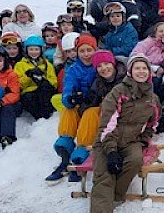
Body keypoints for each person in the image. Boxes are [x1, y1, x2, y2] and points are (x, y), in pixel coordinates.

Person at [86, 54, 160, 213]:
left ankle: (114, 197)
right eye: (137, 68)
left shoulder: (153, 98)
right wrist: (110, 151)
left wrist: (143, 141)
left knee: (135, 161)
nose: (141, 72)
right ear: (130, 71)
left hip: (131, 142)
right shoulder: (118, 92)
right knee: (105, 175)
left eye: (145, 68)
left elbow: (153, 123)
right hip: (107, 140)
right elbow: (106, 125)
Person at [46, 50, 126, 182]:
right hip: (102, 110)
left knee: (91, 113)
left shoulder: (123, 78)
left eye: (107, 64)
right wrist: (75, 101)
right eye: (99, 66)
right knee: (70, 110)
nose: (103, 68)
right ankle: (65, 151)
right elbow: (89, 97)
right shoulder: (96, 79)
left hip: (116, 116)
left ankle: (81, 154)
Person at [51, 34, 99, 176]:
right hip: (81, 103)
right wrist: (69, 98)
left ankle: (82, 148)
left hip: (96, 106)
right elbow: (68, 87)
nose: (86, 54)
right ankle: (65, 144)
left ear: (95, 50)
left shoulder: (99, 66)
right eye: (82, 51)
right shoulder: (73, 69)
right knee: (68, 110)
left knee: (91, 113)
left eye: (89, 50)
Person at [15, 35, 59, 120]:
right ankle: (39, 117)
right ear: (26, 50)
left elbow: (54, 81)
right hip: (29, 92)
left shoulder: (46, 64)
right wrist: (29, 76)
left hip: (43, 91)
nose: (34, 52)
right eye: (31, 49)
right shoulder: (20, 65)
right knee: (29, 98)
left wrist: (43, 80)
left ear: (41, 50)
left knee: (45, 89)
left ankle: (47, 116)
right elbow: (19, 84)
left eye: (36, 49)